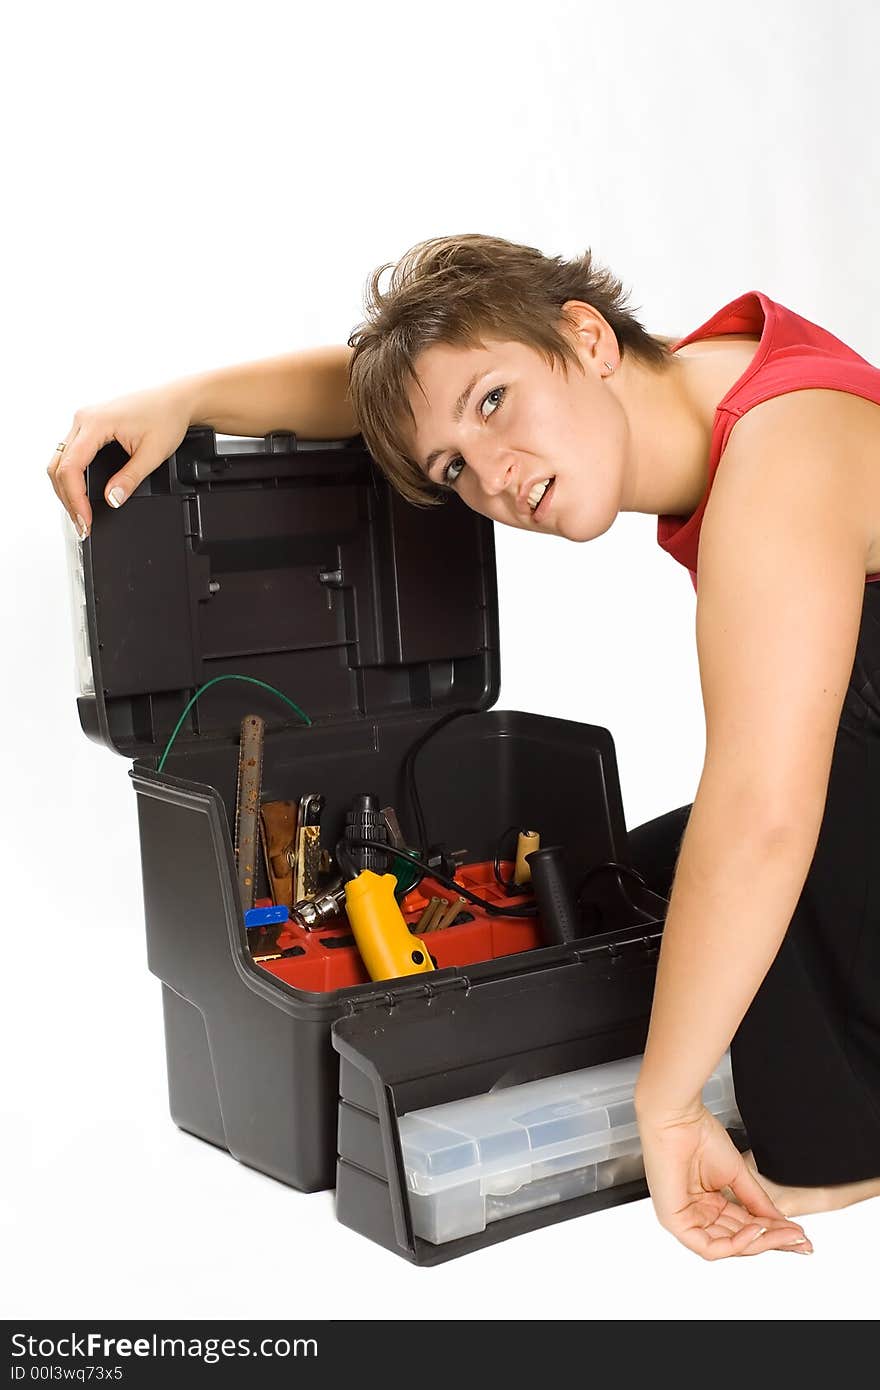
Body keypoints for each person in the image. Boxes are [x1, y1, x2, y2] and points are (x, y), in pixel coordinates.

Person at [47, 233, 880, 1260]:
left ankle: (847, 1152)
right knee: (641, 887)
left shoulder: (782, 449)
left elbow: (763, 813)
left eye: (495, 405)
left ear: (585, 338)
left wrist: (665, 1104)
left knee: (748, 883)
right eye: (453, 468)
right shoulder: (696, 371)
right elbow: (402, 390)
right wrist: (188, 399)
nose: (494, 479)